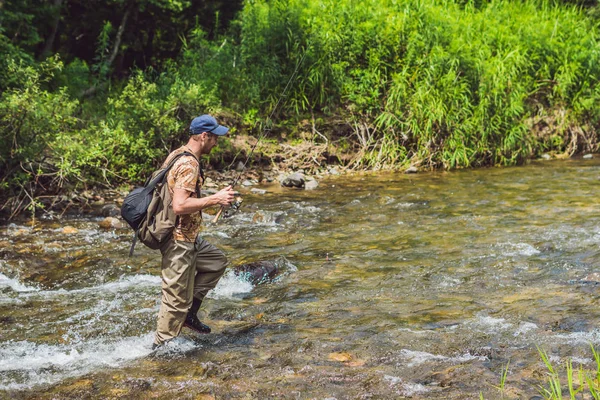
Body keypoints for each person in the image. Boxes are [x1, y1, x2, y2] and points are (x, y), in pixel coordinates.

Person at [153, 114, 235, 349]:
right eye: (214, 138)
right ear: (203, 136)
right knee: (175, 301)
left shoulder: (178, 154)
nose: (216, 143)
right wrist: (216, 198)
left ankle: (189, 315)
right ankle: (161, 350)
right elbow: (179, 206)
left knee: (216, 262)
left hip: (188, 238)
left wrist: (213, 199)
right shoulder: (189, 163)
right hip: (178, 241)